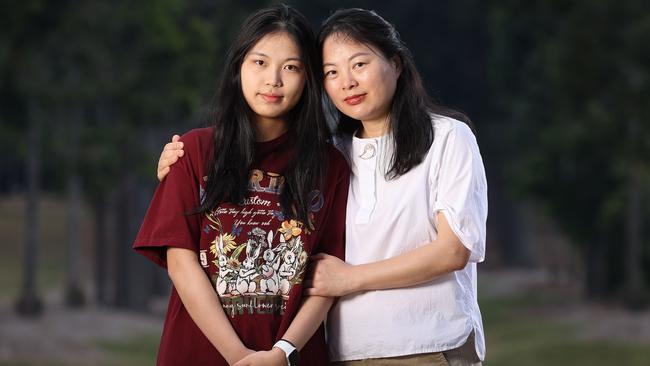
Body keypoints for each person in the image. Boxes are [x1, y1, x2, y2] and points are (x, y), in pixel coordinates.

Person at [157, 8, 487, 366]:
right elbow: (184, 257)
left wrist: (346, 283)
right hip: (348, 351)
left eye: (359, 64)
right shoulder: (334, 152)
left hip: (429, 343)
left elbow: (453, 250)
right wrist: (175, 167)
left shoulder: (445, 138)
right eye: (332, 72)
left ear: (397, 63)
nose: (347, 82)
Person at [134, 5, 349, 366]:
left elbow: (327, 275)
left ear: (309, 78)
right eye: (259, 62)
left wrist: (282, 353)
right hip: (198, 353)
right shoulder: (194, 152)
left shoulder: (331, 166)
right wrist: (239, 357)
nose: (273, 80)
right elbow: (181, 263)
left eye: (291, 67)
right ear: (238, 68)